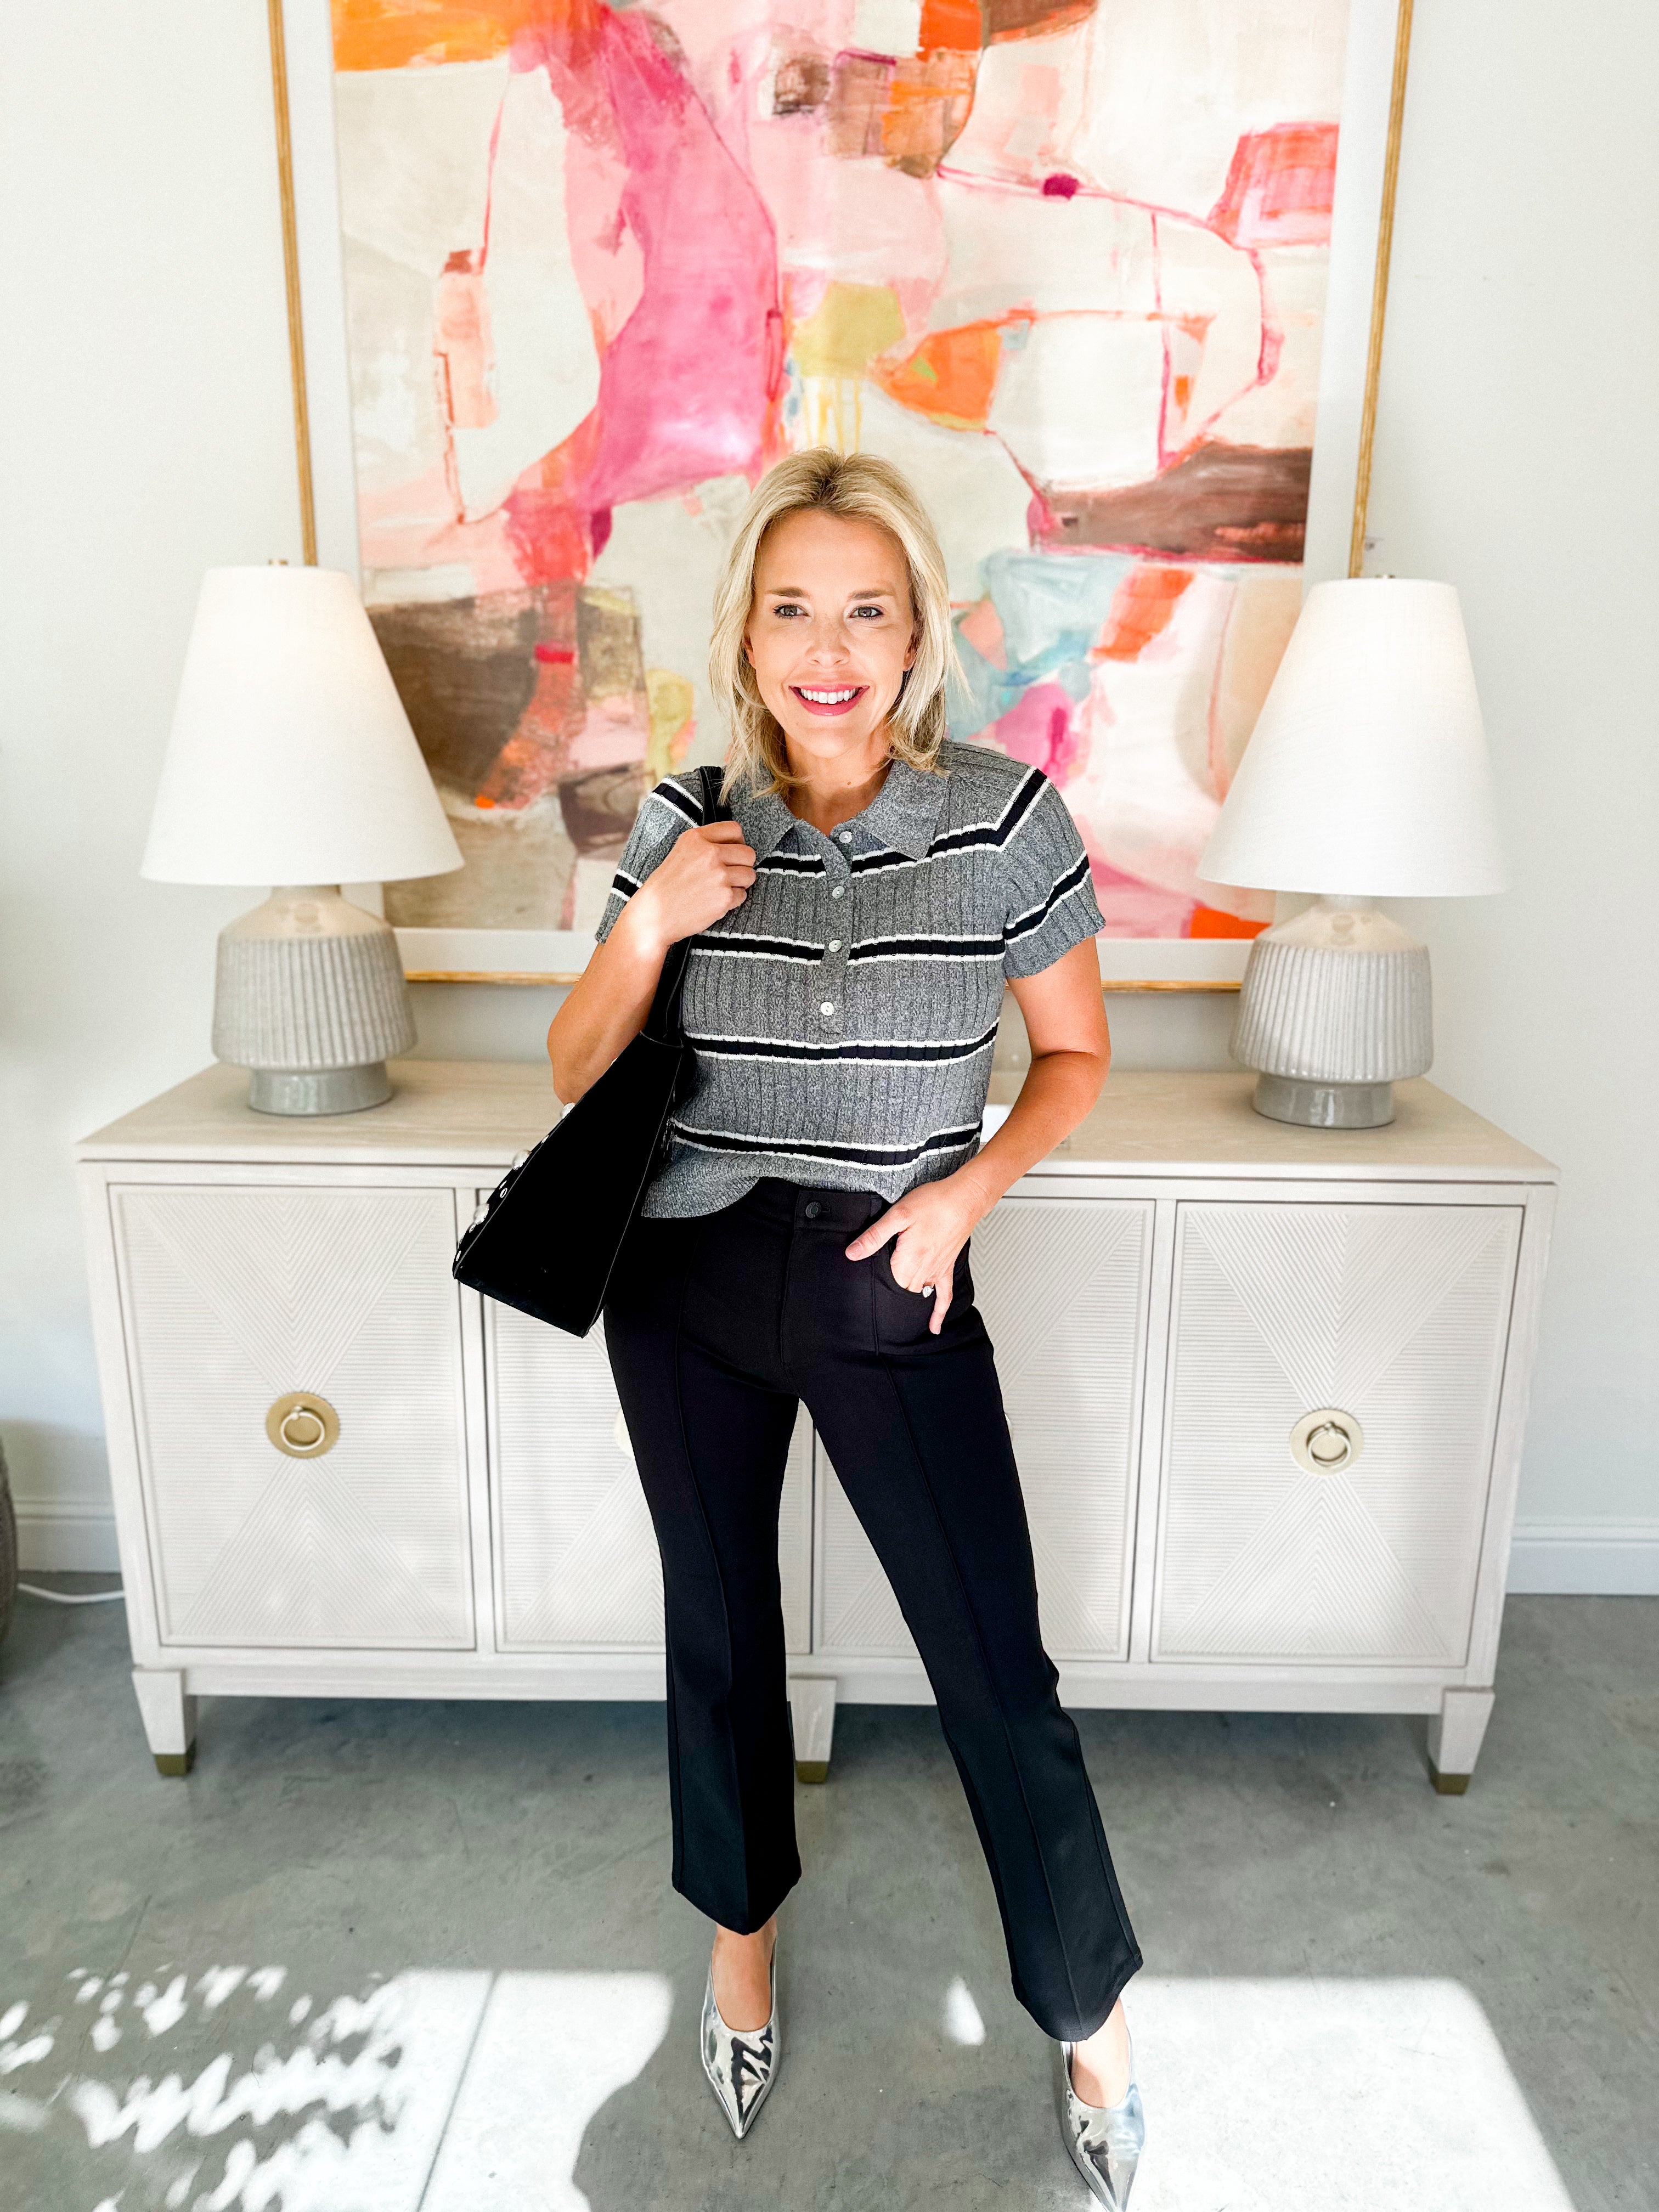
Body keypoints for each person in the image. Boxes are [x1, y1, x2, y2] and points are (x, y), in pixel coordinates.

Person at [546, 448, 1145, 2205]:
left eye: (866, 611)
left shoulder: (1003, 819)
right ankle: (738, 1952)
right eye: (794, 609)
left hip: (897, 1275)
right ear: (747, 628)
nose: (830, 650)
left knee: (996, 1671)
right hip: (686, 1277)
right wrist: (655, 918)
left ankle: (1088, 2009)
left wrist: (965, 1199)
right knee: (723, 1638)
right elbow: (576, 1071)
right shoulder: (689, 815)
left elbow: (1076, 1055)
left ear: (916, 632)